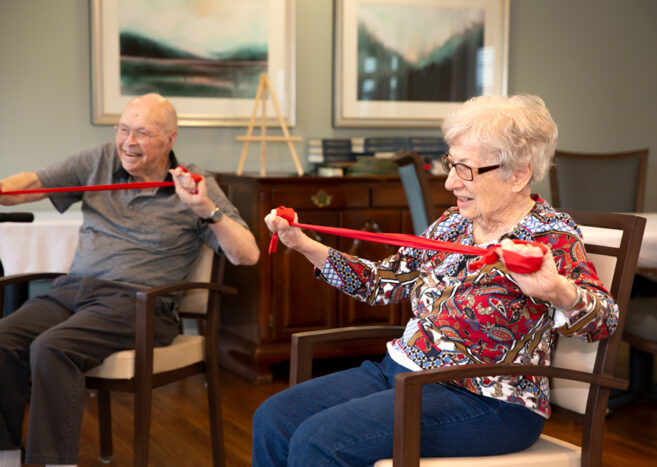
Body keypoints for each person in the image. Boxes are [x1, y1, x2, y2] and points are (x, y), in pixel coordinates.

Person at [254, 94, 619, 465]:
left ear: (519, 174)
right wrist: (303, 245)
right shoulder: (452, 224)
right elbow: (384, 281)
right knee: (273, 418)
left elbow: (605, 319)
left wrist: (558, 291)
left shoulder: (549, 236)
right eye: (451, 164)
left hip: (489, 400)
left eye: (466, 169)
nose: (449, 183)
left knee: (320, 442)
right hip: (401, 373)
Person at [0, 93, 259, 467]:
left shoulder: (195, 184)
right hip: (73, 291)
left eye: (142, 133)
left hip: (139, 304)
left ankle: (52, 463)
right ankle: (5, 455)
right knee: (4, 339)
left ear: (170, 139)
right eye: (123, 129)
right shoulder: (99, 159)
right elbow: (35, 183)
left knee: (53, 347)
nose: (128, 141)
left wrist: (205, 209)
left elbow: (246, 254)